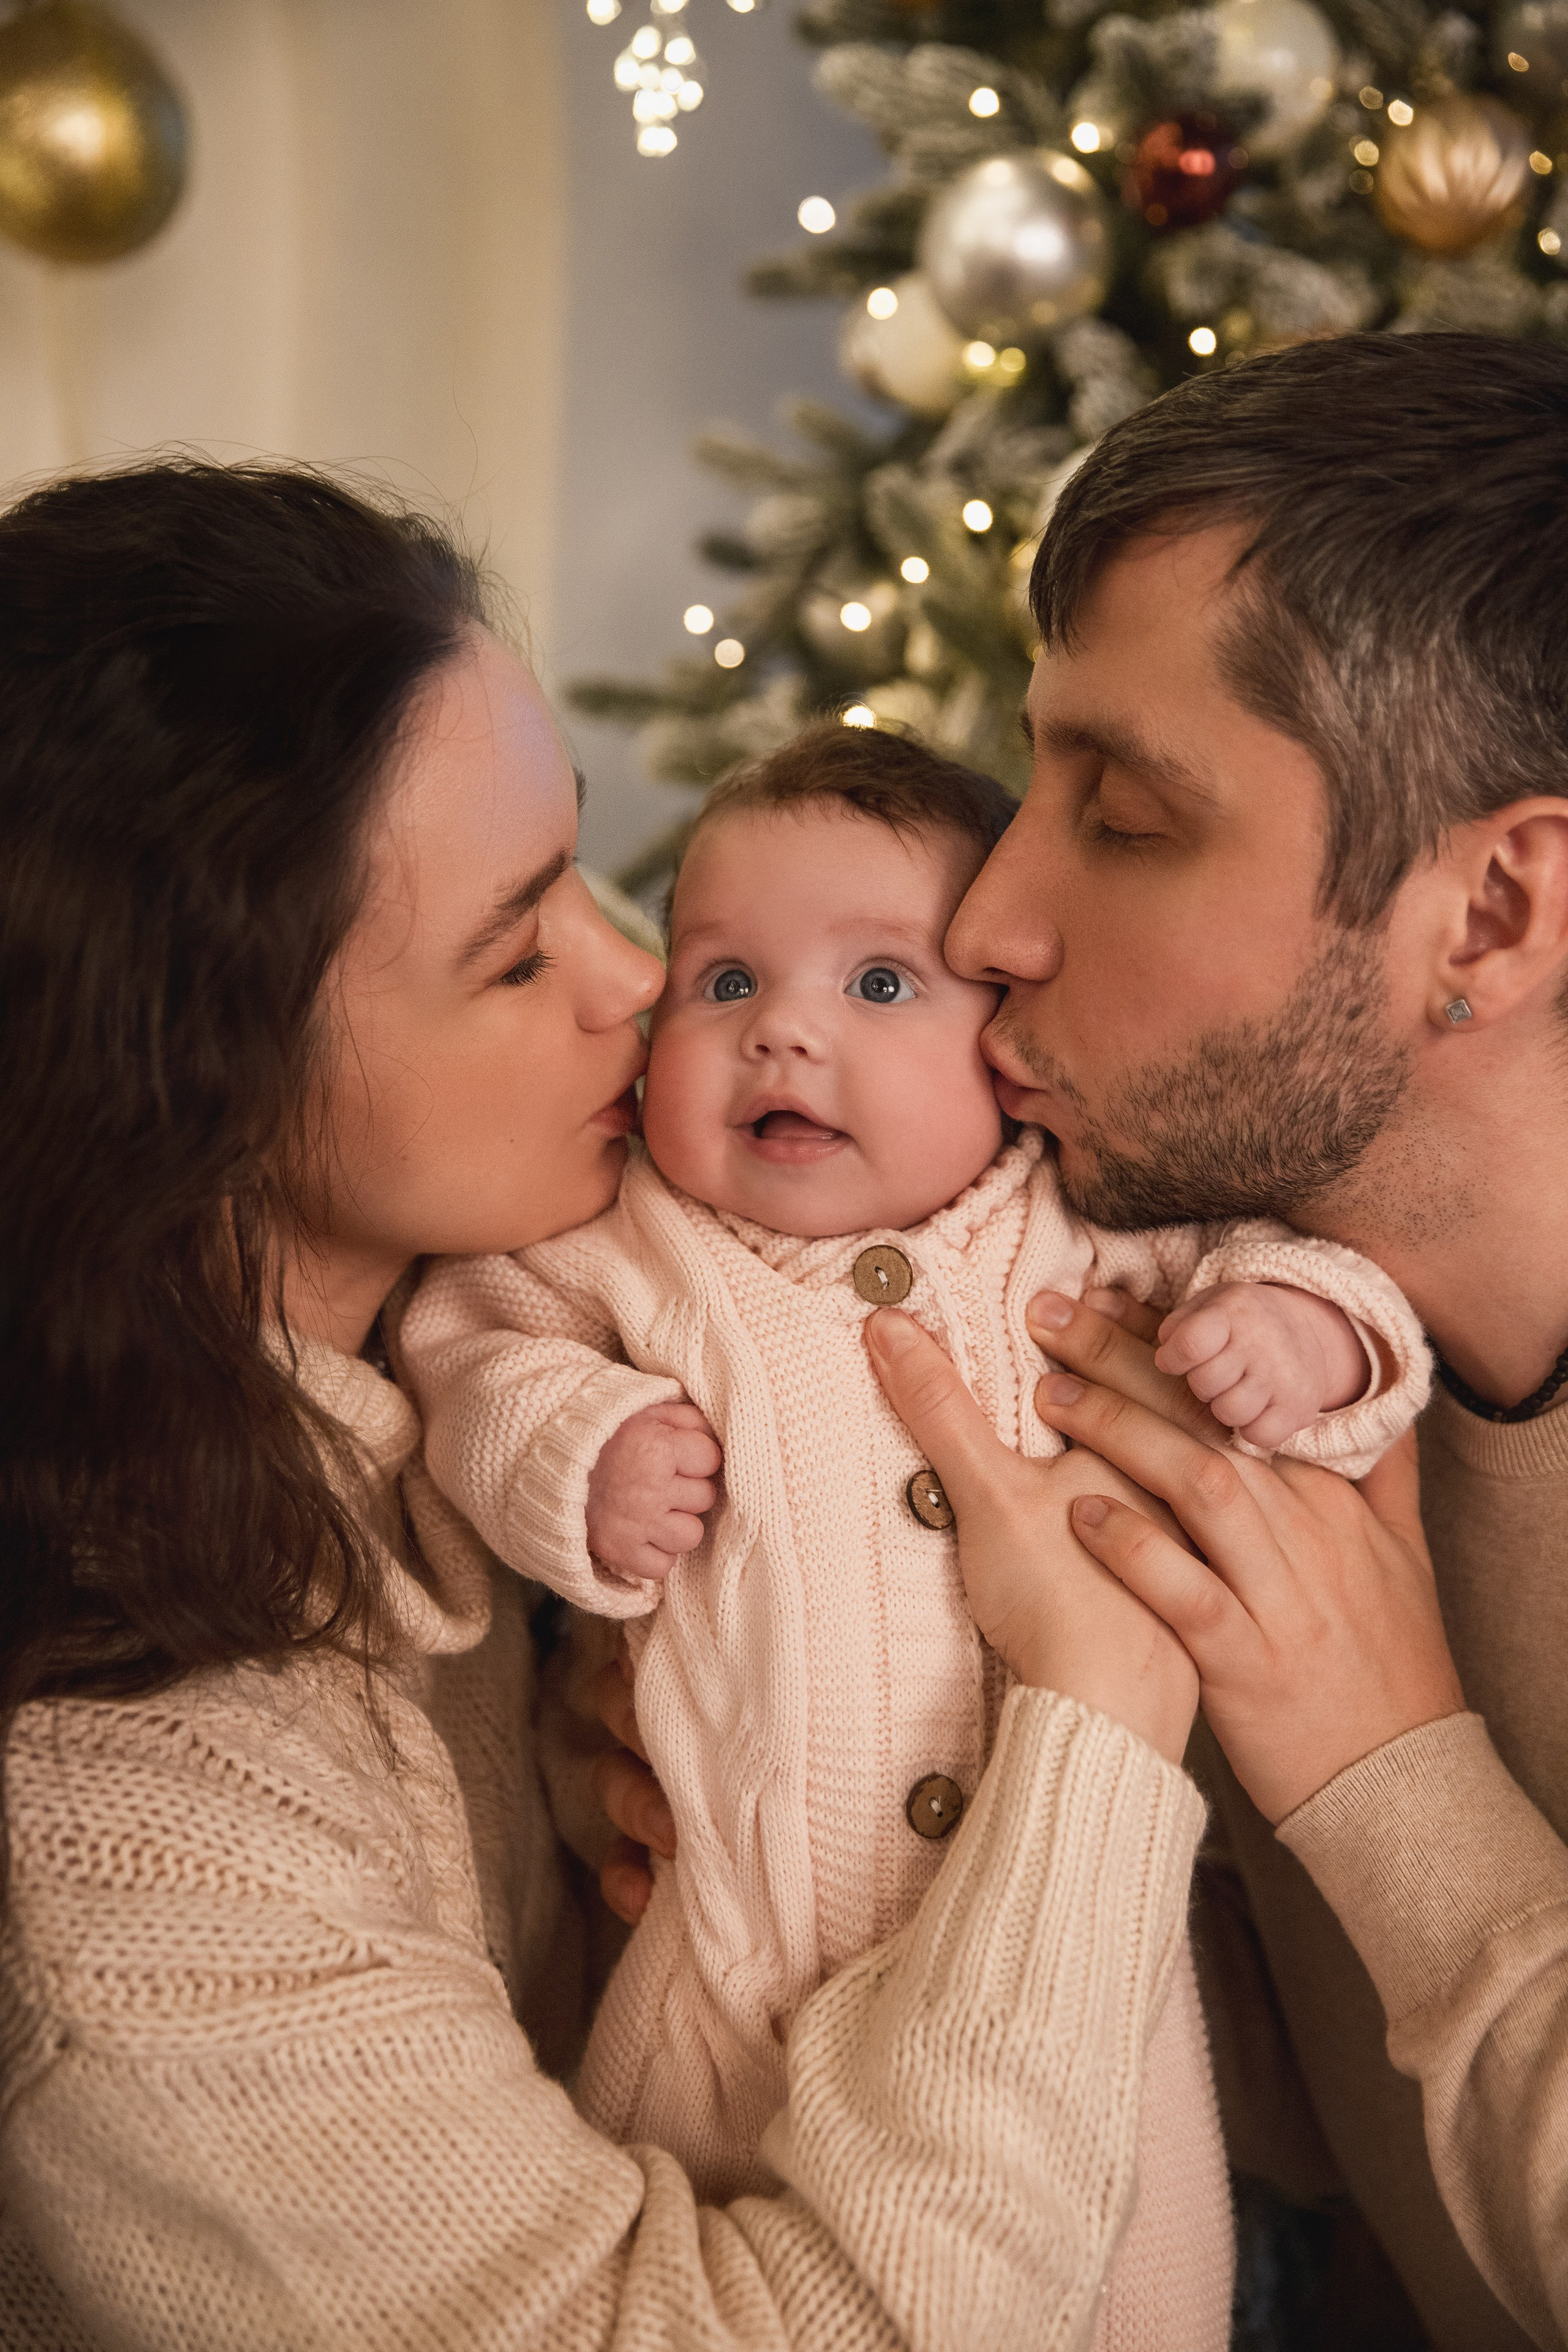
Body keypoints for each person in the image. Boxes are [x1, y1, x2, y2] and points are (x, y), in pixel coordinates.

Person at [0, 458, 1216, 2351]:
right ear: (195, 1083)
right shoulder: (116, 1844)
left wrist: (597, 1803)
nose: (641, 978)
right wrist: (1102, 1724)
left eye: (586, 862)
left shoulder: (427, 1410)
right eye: (513, 947)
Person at [398, 722, 1429, 2352]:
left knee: (1125, 2293)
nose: (783, 1035)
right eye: (722, 980)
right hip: (730, 2000)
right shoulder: (635, 1248)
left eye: (880, 986)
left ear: (1008, 1045)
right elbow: (471, 1355)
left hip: (1084, 2015)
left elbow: (1323, 1283)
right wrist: (575, 1455)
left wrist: (1303, 1334)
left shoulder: (1089, 1222)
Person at [853, 330, 1568, 2351]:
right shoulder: (1173, 1324)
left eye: (1132, 817)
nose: (988, 916)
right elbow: (1322, 2116)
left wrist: (1381, 1762)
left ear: (1495, 916)